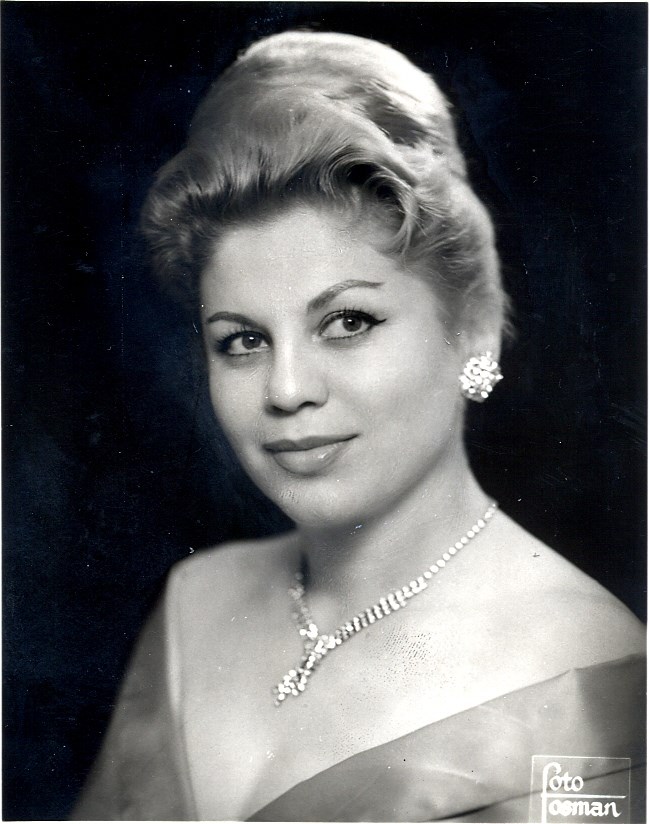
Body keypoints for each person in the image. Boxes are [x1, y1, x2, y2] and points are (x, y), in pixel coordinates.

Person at [72, 30, 645, 821]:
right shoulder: (194, 603)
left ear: (473, 330)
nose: (287, 389)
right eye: (242, 341)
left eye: (347, 321)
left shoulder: (583, 668)